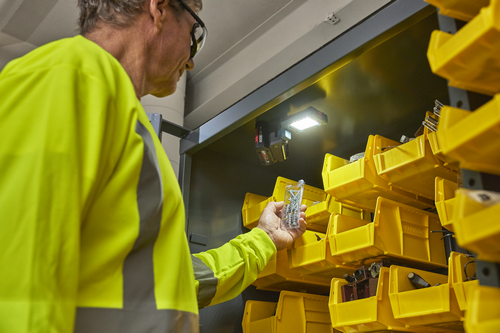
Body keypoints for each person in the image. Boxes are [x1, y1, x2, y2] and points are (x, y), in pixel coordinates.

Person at [0, 0, 307, 332]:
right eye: (194, 34)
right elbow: (16, 283)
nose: (190, 61)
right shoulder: (64, 78)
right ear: (158, 9)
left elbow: (172, 283)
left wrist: (264, 239)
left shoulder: (122, 115)